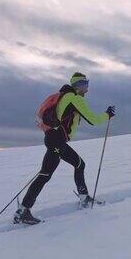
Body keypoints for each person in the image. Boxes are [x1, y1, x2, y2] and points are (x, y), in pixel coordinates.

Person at [13, 72, 116, 225]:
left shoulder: (64, 96)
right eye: (84, 84)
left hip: (53, 139)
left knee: (47, 174)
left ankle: (23, 210)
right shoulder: (74, 99)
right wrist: (107, 115)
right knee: (76, 165)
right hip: (57, 141)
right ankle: (83, 199)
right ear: (77, 85)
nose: (86, 87)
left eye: (87, 83)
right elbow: (93, 120)